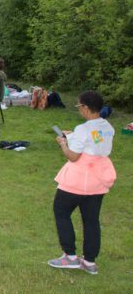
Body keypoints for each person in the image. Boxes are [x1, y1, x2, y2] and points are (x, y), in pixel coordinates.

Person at [48, 91, 116, 275]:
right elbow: (94, 142)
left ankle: (69, 257)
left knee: (61, 211)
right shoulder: (107, 126)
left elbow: (74, 156)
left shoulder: (83, 129)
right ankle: (89, 262)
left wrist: (63, 143)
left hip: (78, 179)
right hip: (98, 179)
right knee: (91, 220)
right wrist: (73, 136)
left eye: (79, 107)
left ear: (85, 107)